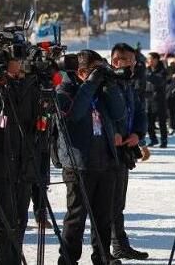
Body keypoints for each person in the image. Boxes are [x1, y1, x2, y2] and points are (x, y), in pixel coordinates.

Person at [56, 50, 125, 265]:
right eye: (95, 69)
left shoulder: (100, 89)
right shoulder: (64, 90)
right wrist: (90, 85)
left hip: (105, 161)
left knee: (103, 218)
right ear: (81, 71)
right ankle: (68, 260)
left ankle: (102, 257)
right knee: (76, 218)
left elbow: (119, 112)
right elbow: (74, 115)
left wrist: (110, 86)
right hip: (79, 164)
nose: (99, 73)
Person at [0, 57, 40, 265]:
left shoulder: (30, 84)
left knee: (20, 220)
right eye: (16, 58)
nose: (21, 63)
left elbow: (38, 121)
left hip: (24, 161)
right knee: (3, 220)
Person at [109, 43, 149, 260]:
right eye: (128, 61)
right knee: (108, 203)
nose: (133, 66)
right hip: (107, 152)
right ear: (116, 61)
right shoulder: (106, 83)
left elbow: (139, 111)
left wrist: (137, 134)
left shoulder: (128, 84)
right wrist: (114, 133)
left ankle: (120, 245)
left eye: (133, 62)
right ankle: (105, 249)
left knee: (118, 202)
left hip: (125, 149)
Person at [145, 52, 168, 148]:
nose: (149, 61)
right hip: (148, 100)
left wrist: (149, 75)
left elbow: (159, 81)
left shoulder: (162, 70)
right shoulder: (146, 70)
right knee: (149, 122)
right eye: (148, 59)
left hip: (159, 100)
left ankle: (164, 140)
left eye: (150, 58)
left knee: (162, 122)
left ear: (156, 59)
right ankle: (153, 139)